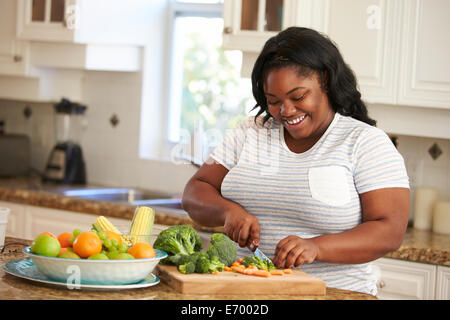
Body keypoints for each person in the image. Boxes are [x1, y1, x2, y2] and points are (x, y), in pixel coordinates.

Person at [182, 27, 410, 295]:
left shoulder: (365, 142)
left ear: (325, 80)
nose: (285, 111)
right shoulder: (251, 131)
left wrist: (317, 247)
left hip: (334, 293)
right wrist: (228, 212)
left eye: (298, 96)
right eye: (273, 101)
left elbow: (390, 231)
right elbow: (195, 191)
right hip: (246, 292)